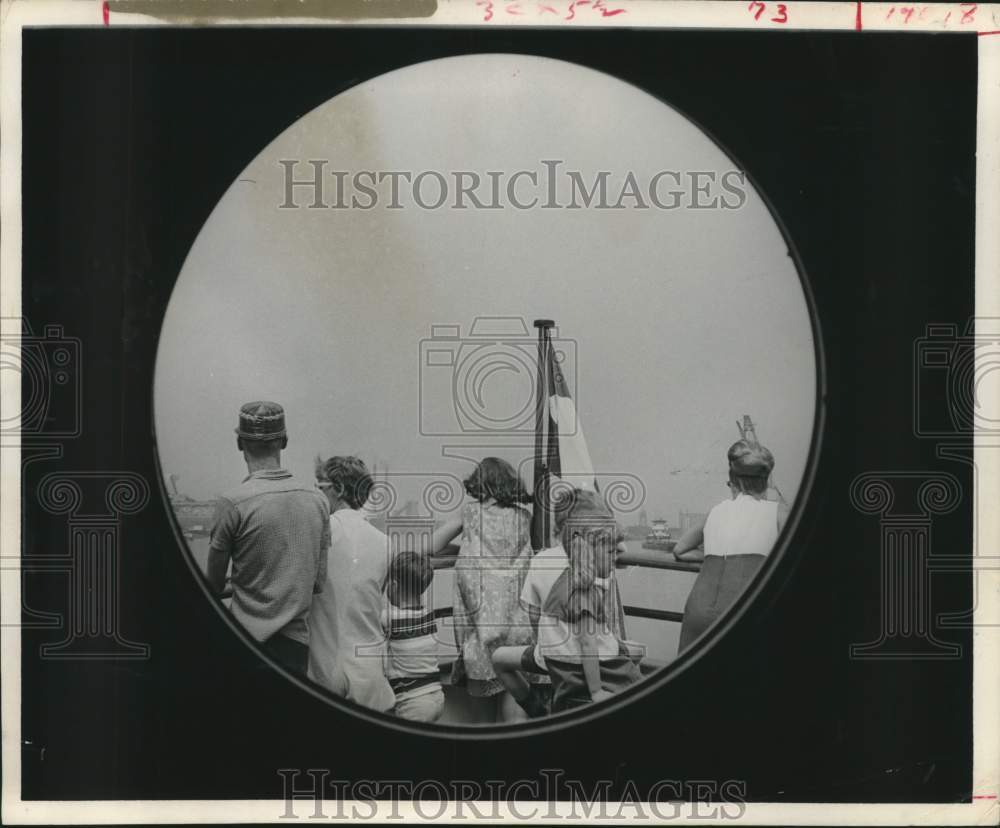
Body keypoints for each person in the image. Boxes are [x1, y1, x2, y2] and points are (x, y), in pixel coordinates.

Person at [308, 456, 462, 712]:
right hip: (368, 669)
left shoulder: (318, 533)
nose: (317, 493)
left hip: (323, 665)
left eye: (320, 486)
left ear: (339, 489)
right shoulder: (384, 543)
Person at [206, 401, 329, 677]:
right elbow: (317, 583)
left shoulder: (232, 503)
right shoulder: (317, 500)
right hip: (296, 648)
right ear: (284, 441)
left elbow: (212, 585)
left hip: (245, 643)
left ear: (240, 443)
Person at [529, 489, 642, 713]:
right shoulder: (584, 592)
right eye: (611, 553)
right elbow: (587, 643)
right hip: (601, 669)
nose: (615, 559)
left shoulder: (563, 581)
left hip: (561, 668)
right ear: (590, 550)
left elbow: (535, 617)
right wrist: (596, 691)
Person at [674, 440, 789, 652]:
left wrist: (709, 556)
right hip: (743, 610)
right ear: (766, 480)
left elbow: (680, 550)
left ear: (733, 479)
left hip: (699, 610)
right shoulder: (778, 512)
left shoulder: (716, 511)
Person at [450, 457, 536, 722]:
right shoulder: (525, 518)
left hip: (482, 632)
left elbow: (431, 546)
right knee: (516, 717)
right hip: (518, 630)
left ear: (481, 484)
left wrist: (462, 547)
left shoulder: (470, 514)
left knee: (482, 725)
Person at [382, 551, 445, 723]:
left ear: (394, 585)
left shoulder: (390, 618)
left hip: (413, 702)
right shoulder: (428, 615)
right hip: (437, 695)